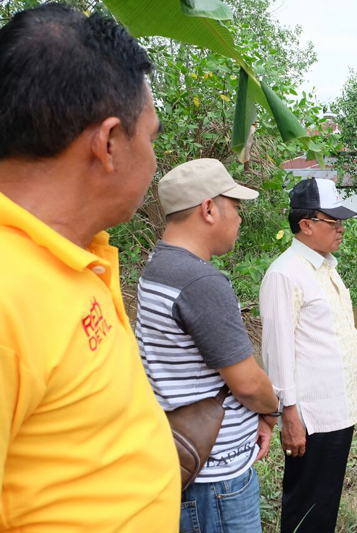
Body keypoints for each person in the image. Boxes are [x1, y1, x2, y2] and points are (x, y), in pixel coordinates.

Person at [0, 5, 180, 530]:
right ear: (107, 144)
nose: (153, 157)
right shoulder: (9, 294)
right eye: (149, 136)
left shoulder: (73, 257)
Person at [136, 159, 280, 532]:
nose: (240, 218)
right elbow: (247, 383)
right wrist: (271, 411)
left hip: (180, 458)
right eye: (235, 206)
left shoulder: (156, 268)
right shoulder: (202, 283)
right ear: (209, 208)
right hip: (218, 482)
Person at [260, 178, 357, 533]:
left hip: (339, 410)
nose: (340, 229)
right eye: (332, 221)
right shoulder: (284, 274)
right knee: (306, 506)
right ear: (305, 225)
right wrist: (289, 416)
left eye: (342, 222)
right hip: (312, 417)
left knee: (325, 502)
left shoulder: (325, 267)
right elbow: (277, 353)